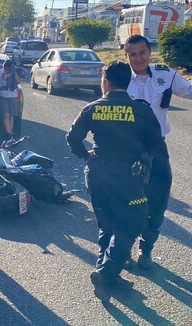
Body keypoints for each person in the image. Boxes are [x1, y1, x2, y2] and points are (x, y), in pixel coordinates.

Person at [66, 61, 169, 301]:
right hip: (127, 177)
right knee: (133, 223)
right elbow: (158, 148)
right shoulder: (141, 110)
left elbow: (72, 138)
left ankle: (109, 277)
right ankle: (107, 271)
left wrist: (86, 156)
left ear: (106, 82)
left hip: (97, 174)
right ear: (128, 82)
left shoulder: (92, 108)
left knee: (107, 225)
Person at [123, 34, 192, 269]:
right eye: (132, 54)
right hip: (127, 148)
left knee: (157, 200)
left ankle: (146, 250)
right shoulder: (120, 77)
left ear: (149, 53)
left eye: (142, 52)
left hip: (156, 147)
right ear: (126, 56)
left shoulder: (165, 74)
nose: (138, 58)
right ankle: (122, 250)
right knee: (126, 201)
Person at [0, 59, 22, 146]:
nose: (5, 71)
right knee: (5, 115)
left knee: (11, 116)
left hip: (12, 96)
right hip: (2, 96)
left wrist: (14, 73)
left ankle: (9, 134)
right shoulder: (0, 71)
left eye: (7, 70)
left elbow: (18, 82)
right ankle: (9, 134)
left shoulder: (15, 72)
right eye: (4, 69)